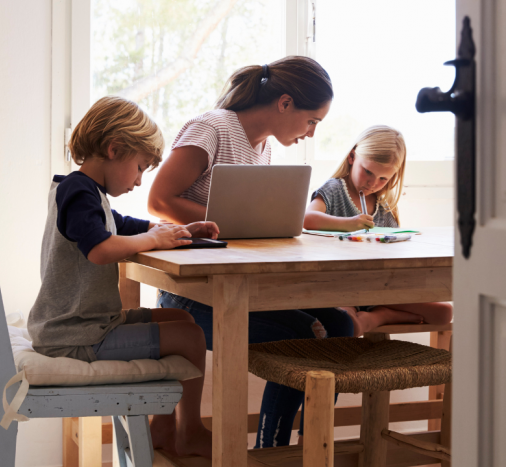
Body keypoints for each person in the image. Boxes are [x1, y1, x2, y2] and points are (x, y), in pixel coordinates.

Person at [147, 56, 355, 448]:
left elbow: (243, 225)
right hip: (193, 295)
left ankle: (311, 448)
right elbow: (159, 200)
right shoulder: (211, 129)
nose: (311, 133)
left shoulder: (261, 149)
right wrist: (227, 223)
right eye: (312, 120)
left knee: (341, 325)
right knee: (305, 335)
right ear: (285, 103)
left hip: (238, 289)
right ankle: (271, 451)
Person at [28, 96, 219, 458]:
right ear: (115, 149)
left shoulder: (82, 191)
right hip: (77, 335)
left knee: (182, 318)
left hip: (83, 324)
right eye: (140, 167)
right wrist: (152, 239)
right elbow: (99, 248)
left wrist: (175, 230)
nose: (139, 181)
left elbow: (120, 224)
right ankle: (188, 431)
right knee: (191, 336)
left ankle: (163, 428)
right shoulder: (78, 191)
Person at [303, 125, 453, 336]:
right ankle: (382, 315)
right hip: (341, 288)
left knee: (444, 313)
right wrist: (349, 224)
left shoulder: (384, 203)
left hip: (381, 288)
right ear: (352, 157)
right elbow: (307, 219)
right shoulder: (335, 189)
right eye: (368, 172)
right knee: (345, 323)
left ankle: (381, 315)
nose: (373, 183)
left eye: (384, 179)